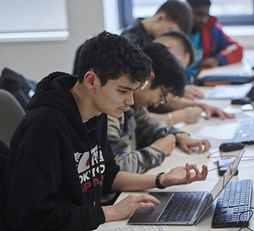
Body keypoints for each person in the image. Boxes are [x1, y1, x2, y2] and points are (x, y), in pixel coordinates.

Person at [0, 31, 208, 231]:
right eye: (123, 91)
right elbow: (32, 216)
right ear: (91, 80)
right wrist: (108, 212)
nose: (131, 101)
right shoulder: (44, 127)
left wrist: (161, 180)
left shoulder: (96, 113)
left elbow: (106, 175)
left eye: (134, 91)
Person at [107, 42, 211, 174]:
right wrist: (157, 151)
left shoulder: (132, 106)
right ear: (148, 79)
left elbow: (148, 125)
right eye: (161, 95)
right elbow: (118, 169)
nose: (157, 103)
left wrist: (178, 135)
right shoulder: (111, 110)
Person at [149, 31, 235, 125]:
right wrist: (181, 116)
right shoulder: (139, 70)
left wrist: (201, 106)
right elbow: (140, 119)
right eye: (178, 65)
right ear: (168, 47)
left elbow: (163, 98)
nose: (177, 72)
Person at [185, 0, 244, 83]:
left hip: (200, 81)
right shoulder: (176, 30)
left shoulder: (211, 29)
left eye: (207, 14)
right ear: (187, 10)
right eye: (199, 14)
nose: (204, 20)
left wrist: (217, 60)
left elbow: (237, 49)